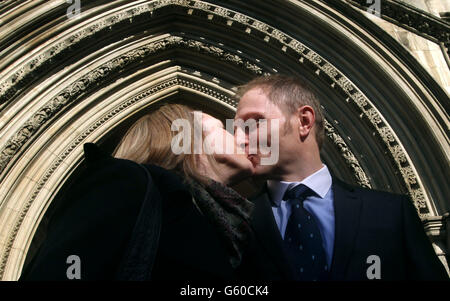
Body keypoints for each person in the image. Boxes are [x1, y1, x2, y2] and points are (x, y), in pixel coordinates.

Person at [234, 74, 448, 280]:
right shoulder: (232, 220)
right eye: (236, 130)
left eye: (253, 123)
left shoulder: (391, 213)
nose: (238, 140)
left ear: (304, 121)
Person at [20, 103, 256, 280]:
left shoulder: (231, 227)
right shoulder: (127, 183)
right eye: (221, 127)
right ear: (188, 140)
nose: (241, 139)